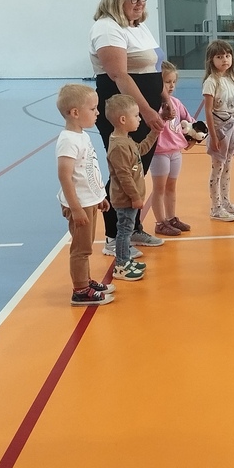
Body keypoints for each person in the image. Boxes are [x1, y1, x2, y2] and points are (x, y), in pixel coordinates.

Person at [89, 0, 165, 255]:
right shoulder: (107, 28)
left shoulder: (138, 26)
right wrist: (146, 111)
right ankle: (113, 237)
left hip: (143, 110)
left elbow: (152, 68)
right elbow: (119, 75)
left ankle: (131, 229)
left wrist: (164, 97)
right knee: (124, 173)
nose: (140, 2)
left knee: (138, 170)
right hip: (123, 112)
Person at [55, 84, 115, 307]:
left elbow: (89, 170)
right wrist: (76, 208)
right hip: (78, 204)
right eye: (93, 108)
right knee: (81, 249)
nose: (97, 112)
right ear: (75, 112)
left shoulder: (82, 136)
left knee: (86, 245)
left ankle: (86, 281)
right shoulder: (68, 140)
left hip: (88, 201)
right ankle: (80, 291)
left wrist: (99, 196)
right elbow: (65, 177)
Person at [105, 94, 157, 282]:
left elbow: (141, 150)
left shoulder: (125, 140)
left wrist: (154, 133)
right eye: (136, 116)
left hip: (130, 198)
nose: (139, 119)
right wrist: (135, 197)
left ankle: (126, 260)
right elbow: (124, 176)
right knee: (124, 232)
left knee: (126, 231)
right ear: (123, 119)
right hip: (125, 199)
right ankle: (121, 265)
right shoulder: (118, 146)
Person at [202, 39, 234, 222]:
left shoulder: (230, 79)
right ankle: (216, 207)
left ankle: (226, 202)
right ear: (211, 60)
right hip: (220, 129)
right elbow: (208, 111)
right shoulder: (211, 82)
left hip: (231, 127)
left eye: (227, 56)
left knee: (228, 167)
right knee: (218, 168)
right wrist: (213, 136)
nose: (224, 60)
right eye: (219, 57)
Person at [150, 61, 195, 236]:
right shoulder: (153, 105)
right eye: (167, 82)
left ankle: (171, 218)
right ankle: (160, 222)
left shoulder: (176, 102)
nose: (171, 86)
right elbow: (152, 126)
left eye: (173, 82)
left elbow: (190, 121)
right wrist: (163, 116)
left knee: (171, 187)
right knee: (159, 188)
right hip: (160, 153)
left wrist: (194, 137)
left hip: (175, 152)